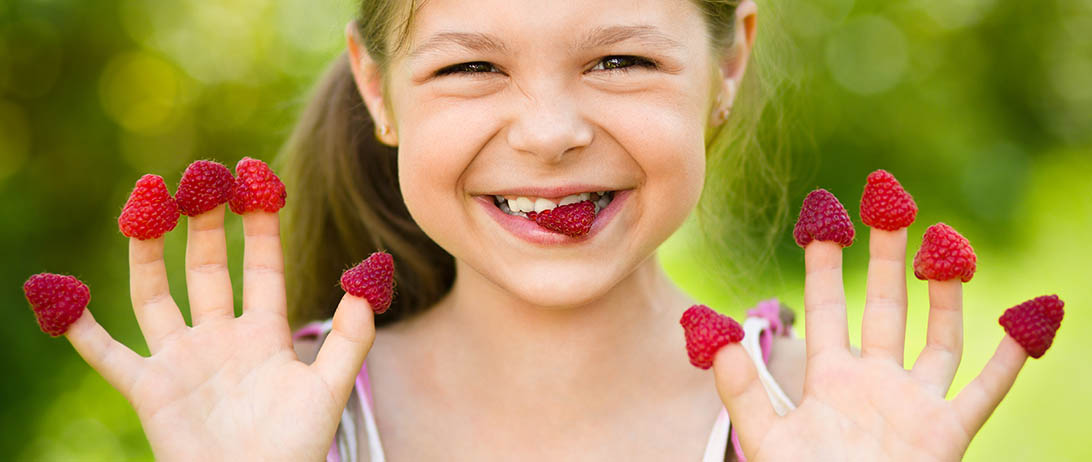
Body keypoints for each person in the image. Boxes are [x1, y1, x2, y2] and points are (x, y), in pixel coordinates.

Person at [58, 0, 1034, 460]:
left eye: (616, 61)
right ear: (376, 88)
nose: (552, 135)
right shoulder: (286, 419)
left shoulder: (824, 428)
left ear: (729, 62)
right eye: (471, 69)